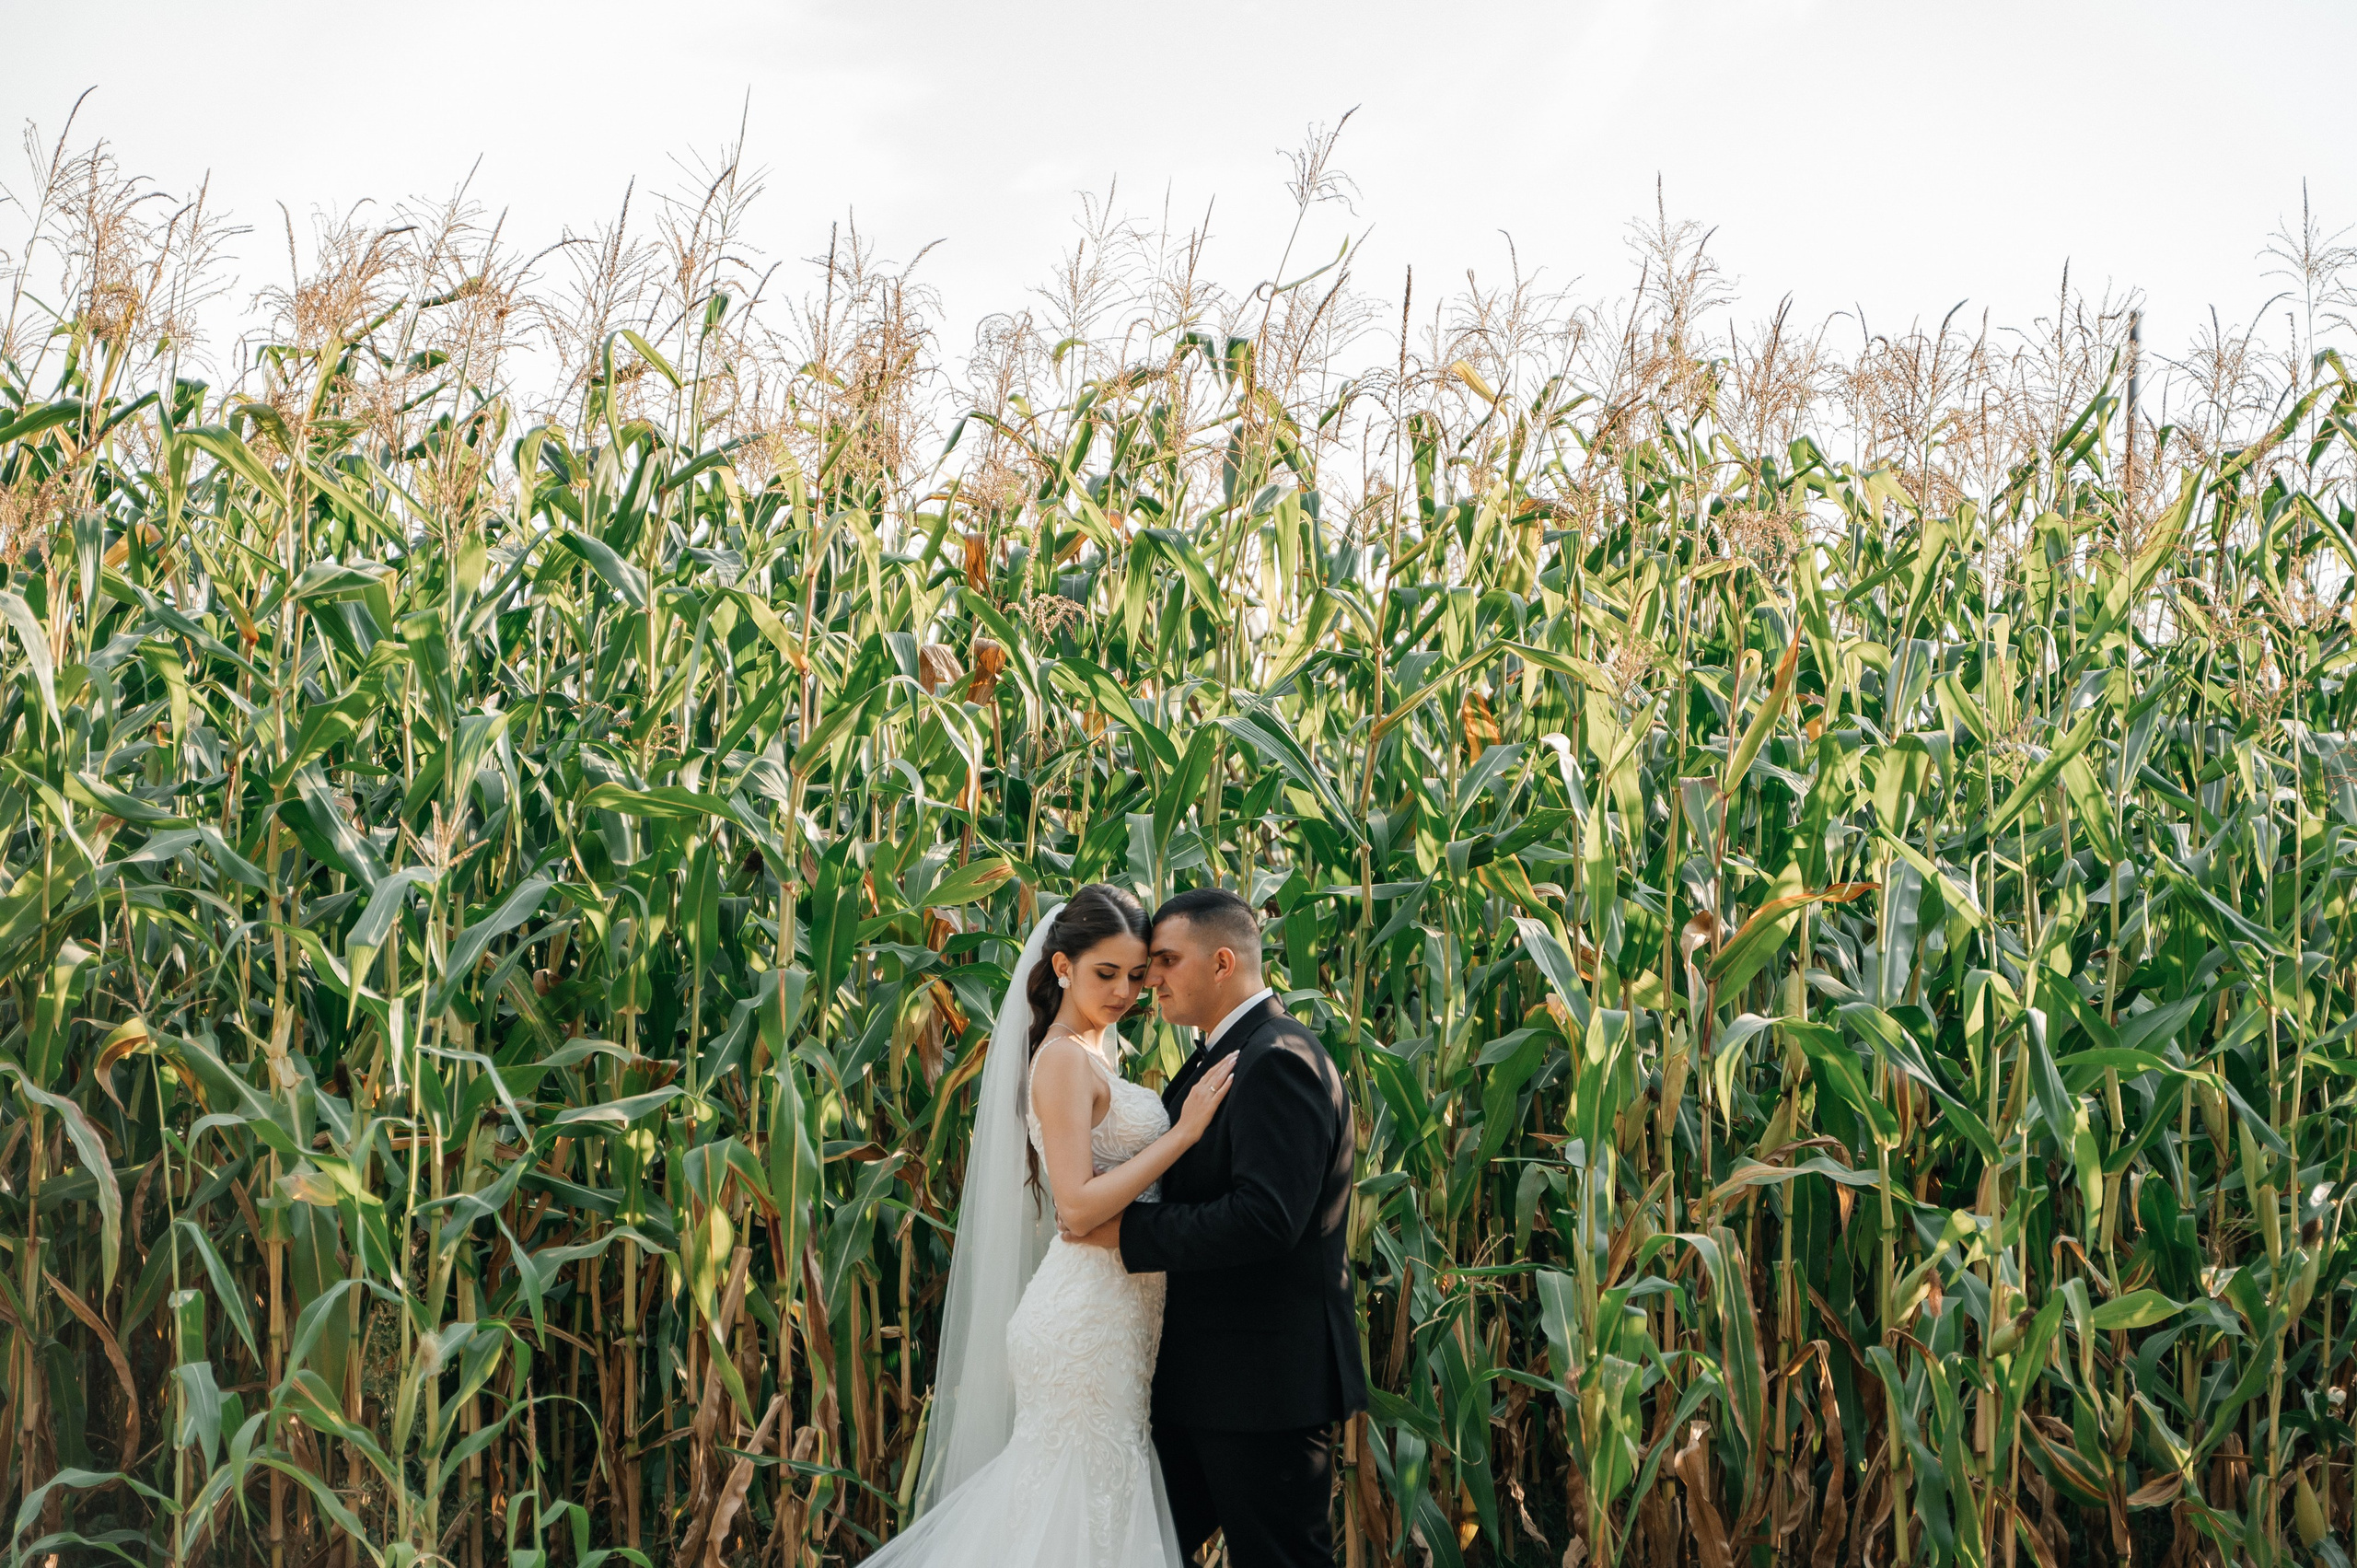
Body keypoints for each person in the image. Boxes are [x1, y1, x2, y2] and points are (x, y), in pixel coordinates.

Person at [875, 883, 1237, 1568]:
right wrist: (1184, 1134)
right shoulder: (1064, 1058)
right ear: (1063, 965)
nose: (1126, 991)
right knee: (1078, 1506)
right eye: (1106, 973)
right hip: (1085, 1321)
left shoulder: (1099, 1052)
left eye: (1137, 975)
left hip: (1117, 1311)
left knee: (1090, 1507)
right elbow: (1075, 1204)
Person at [1066, 887, 1368, 1568]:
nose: (1152, 979)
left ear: (1223, 961)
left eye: (1167, 961)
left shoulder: (1279, 1059)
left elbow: (1267, 1219)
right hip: (1208, 1383)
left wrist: (1130, 1233)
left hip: (1260, 1388)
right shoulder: (1222, 1056)